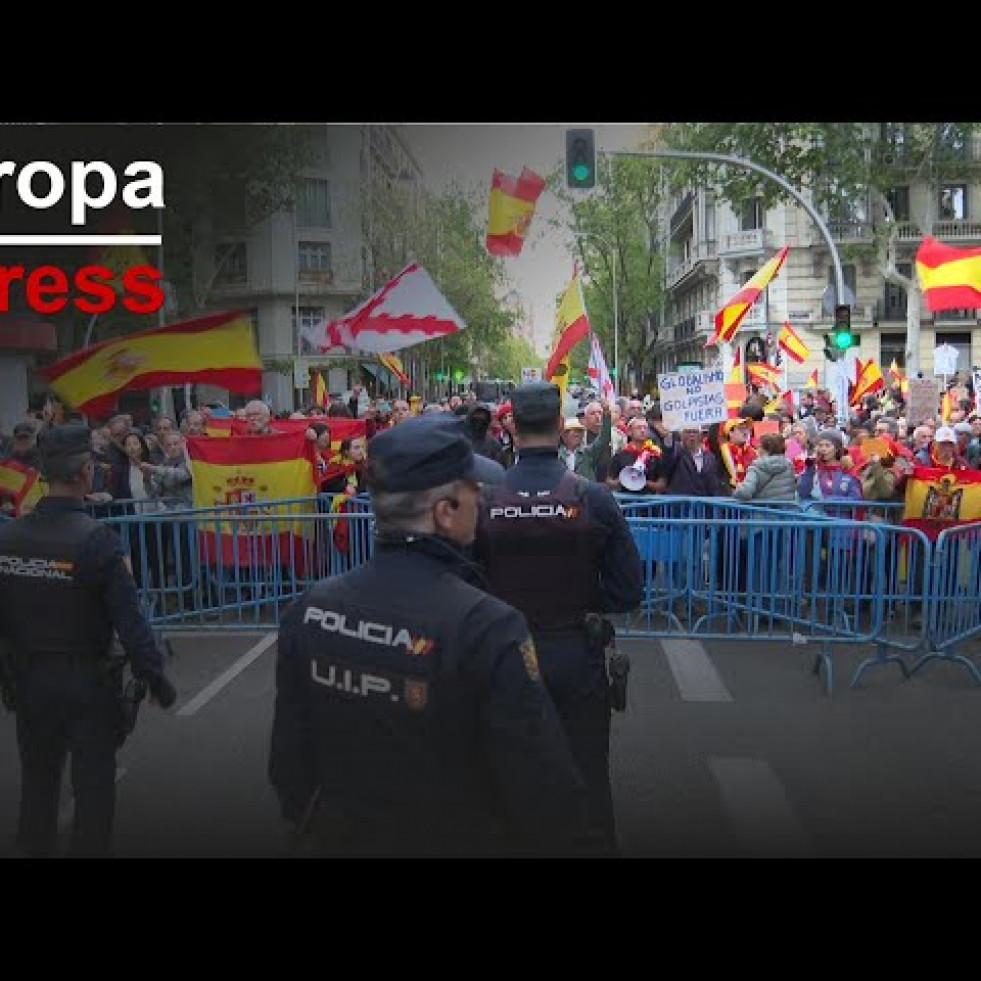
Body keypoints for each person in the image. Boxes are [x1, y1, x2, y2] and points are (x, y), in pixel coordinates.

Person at [268, 413, 603, 857]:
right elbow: (543, 791)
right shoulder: (489, 626)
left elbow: (288, 766)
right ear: (445, 511)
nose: (480, 503)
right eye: (472, 493)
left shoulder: (309, 609)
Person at [472, 381, 645, 854]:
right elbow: (629, 590)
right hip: (575, 654)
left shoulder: (483, 500)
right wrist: (586, 598)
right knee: (585, 780)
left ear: (512, 428)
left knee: (502, 780)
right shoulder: (593, 497)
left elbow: (462, 587)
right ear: (557, 425)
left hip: (501, 659)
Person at [0, 423, 176, 858]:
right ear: (84, 475)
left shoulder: (8, 538)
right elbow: (131, 623)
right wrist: (155, 679)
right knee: (94, 795)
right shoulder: (99, 541)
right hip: (87, 686)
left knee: (38, 790)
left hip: (30, 684)